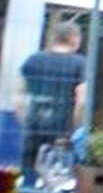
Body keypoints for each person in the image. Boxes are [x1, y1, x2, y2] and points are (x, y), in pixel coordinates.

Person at [18, 21, 87, 164]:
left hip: (34, 128)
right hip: (62, 131)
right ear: (74, 38)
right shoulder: (80, 63)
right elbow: (81, 101)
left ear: (54, 38)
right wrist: (74, 128)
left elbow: (18, 98)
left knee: (28, 176)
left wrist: (26, 122)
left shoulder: (33, 60)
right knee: (59, 178)